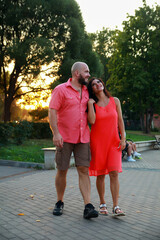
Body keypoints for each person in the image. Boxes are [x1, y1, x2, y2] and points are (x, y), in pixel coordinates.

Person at [48, 62, 98, 219]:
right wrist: (56, 133)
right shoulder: (61, 89)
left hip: (83, 137)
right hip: (65, 137)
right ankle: (59, 202)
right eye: (86, 72)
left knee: (83, 170)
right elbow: (52, 111)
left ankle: (88, 206)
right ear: (77, 73)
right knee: (62, 169)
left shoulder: (87, 91)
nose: (88, 75)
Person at [87, 77, 126, 217]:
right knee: (101, 174)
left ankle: (116, 206)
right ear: (91, 89)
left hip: (114, 142)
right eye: (93, 84)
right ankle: (103, 203)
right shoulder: (92, 104)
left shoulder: (115, 101)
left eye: (99, 82)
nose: (97, 84)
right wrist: (90, 104)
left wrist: (123, 139)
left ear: (102, 84)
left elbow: (120, 120)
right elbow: (91, 121)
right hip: (98, 143)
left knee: (114, 173)